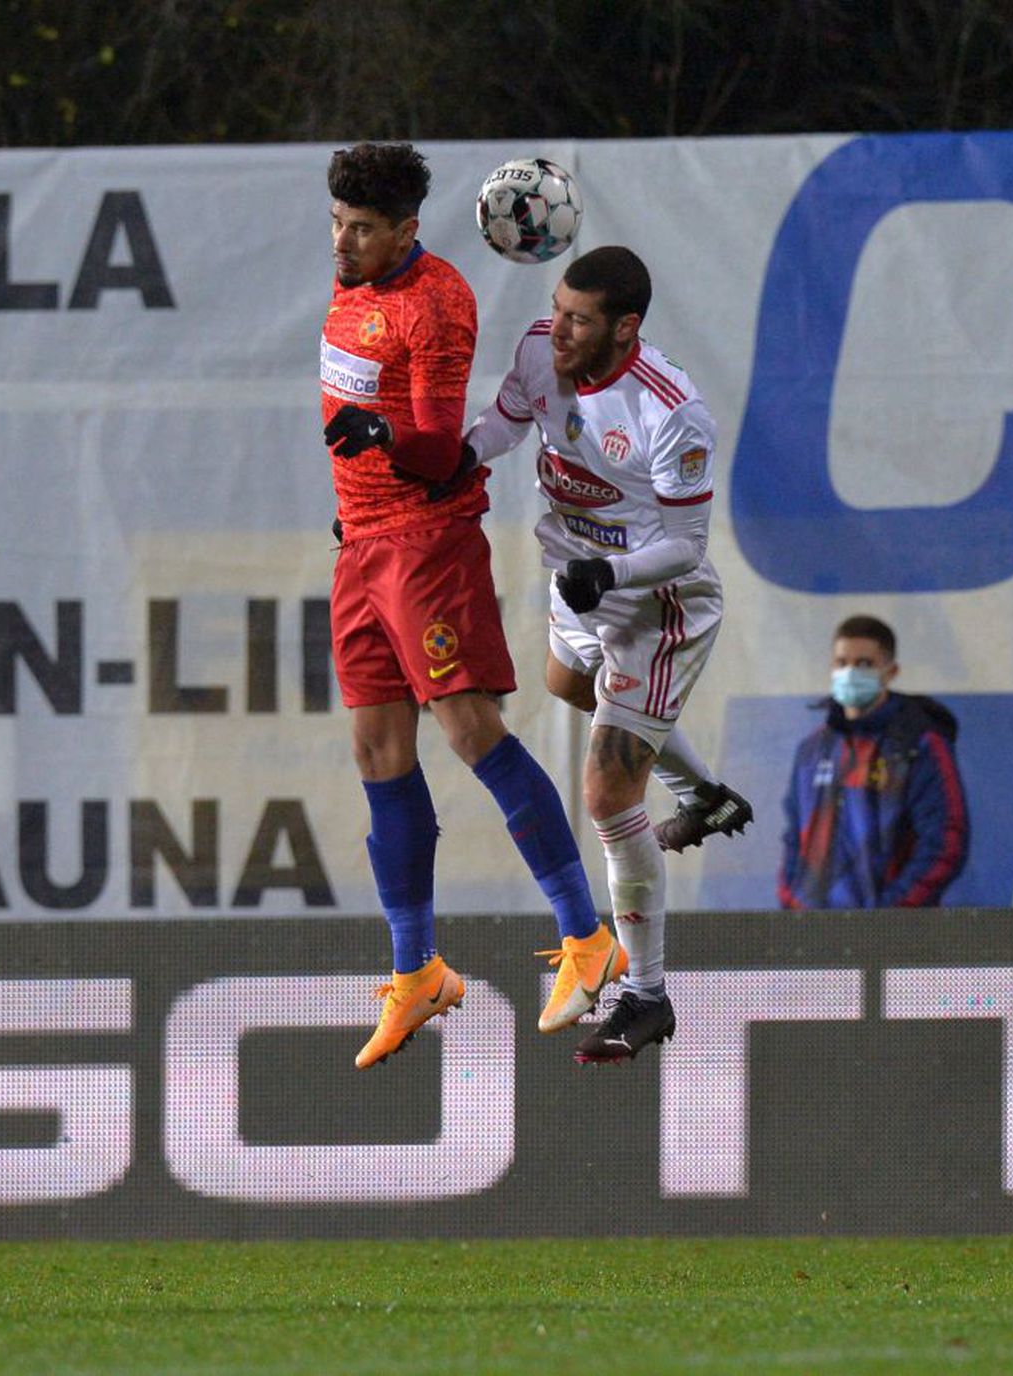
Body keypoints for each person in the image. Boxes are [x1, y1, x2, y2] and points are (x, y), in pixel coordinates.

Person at [320, 143, 627, 1071]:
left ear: (407, 230)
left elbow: (437, 451)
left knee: (468, 729)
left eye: (363, 229)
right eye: (337, 223)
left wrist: (382, 436)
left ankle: (588, 937)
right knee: (376, 751)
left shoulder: (437, 304)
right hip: (360, 544)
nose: (345, 241)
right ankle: (418, 973)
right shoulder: (350, 284)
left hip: (424, 539)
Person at [462, 244, 748, 1065]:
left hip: (654, 606)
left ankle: (647, 995)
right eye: (557, 306)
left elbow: (688, 548)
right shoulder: (536, 351)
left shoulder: (672, 413)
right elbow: (507, 422)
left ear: (626, 327)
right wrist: (462, 457)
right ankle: (707, 795)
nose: (559, 327)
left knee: (605, 791)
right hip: (579, 579)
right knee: (564, 684)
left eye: (580, 318)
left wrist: (611, 572)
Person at [779, 614, 969, 908]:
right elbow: (794, 840)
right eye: (842, 663)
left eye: (865, 664)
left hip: (894, 941)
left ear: (890, 672)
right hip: (813, 938)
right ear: (832, 667)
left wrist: (888, 917)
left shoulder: (918, 744)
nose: (850, 672)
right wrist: (794, 904)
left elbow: (946, 843)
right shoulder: (812, 750)